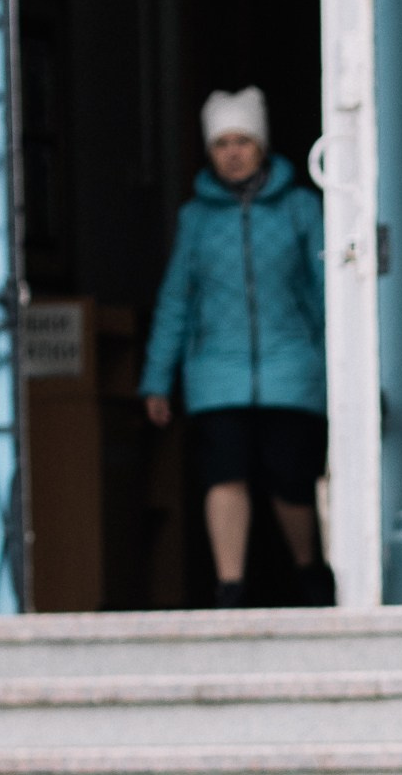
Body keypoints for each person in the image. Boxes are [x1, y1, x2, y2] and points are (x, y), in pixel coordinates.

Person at [141, 88, 331, 608]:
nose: (232, 152)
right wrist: (158, 378)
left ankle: (309, 571)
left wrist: (342, 369)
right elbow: (176, 300)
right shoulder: (196, 218)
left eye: (242, 141)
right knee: (225, 476)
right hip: (215, 374)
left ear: (261, 145)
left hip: (292, 370)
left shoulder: (300, 208)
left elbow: (325, 291)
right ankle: (231, 587)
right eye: (222, 143)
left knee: (291, 480)